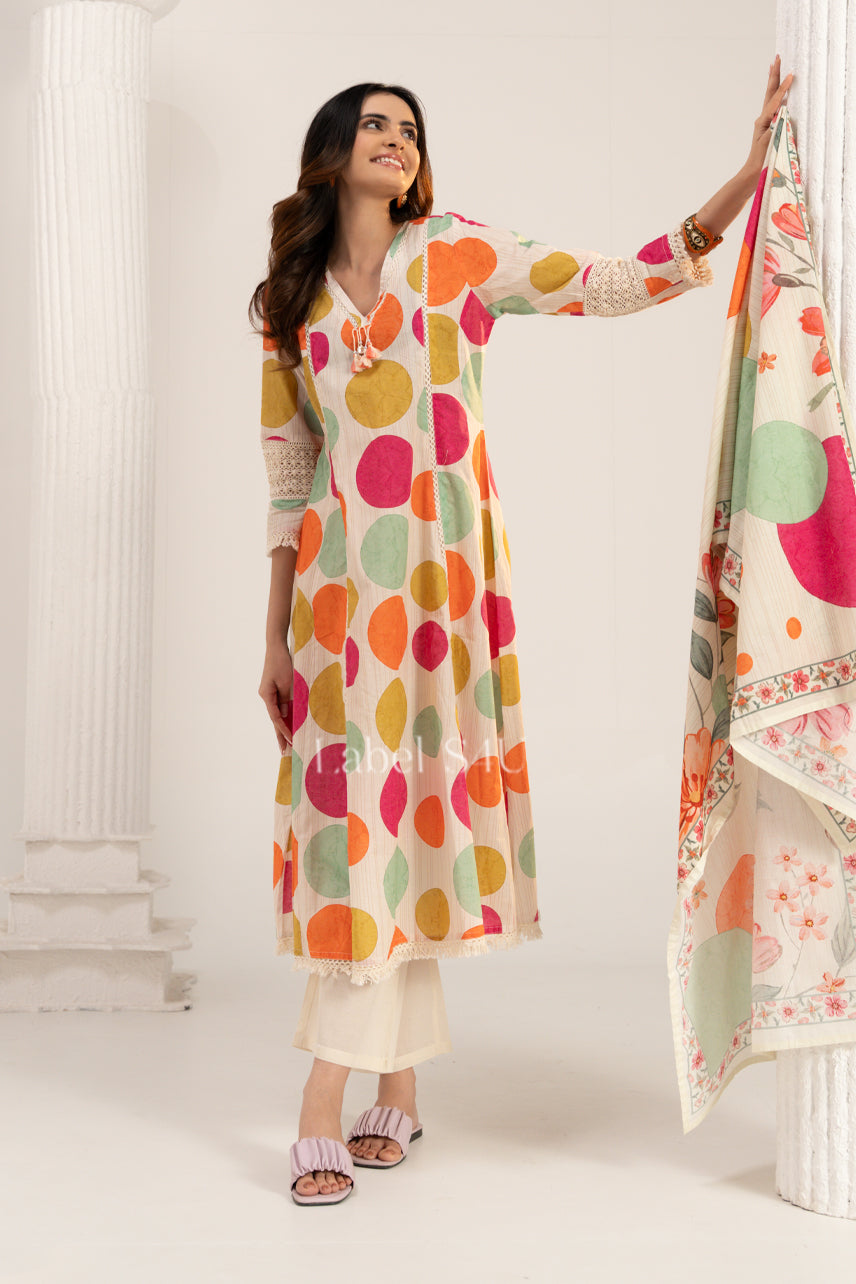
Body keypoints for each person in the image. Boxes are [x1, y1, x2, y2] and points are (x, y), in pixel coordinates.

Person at [249, 60, 794, 1206]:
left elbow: (612, 282)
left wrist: (744, 176)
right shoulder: (289, 301)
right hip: (338, 610)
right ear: (332, 151)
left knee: (406, 822)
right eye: (374, 124)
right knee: (358, 834)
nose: (397, 138)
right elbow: (289, 475)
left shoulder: (456, 252)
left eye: (409, 128)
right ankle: (387, 1087)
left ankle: (328, 1099)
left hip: (442, 596)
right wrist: (272, 638)